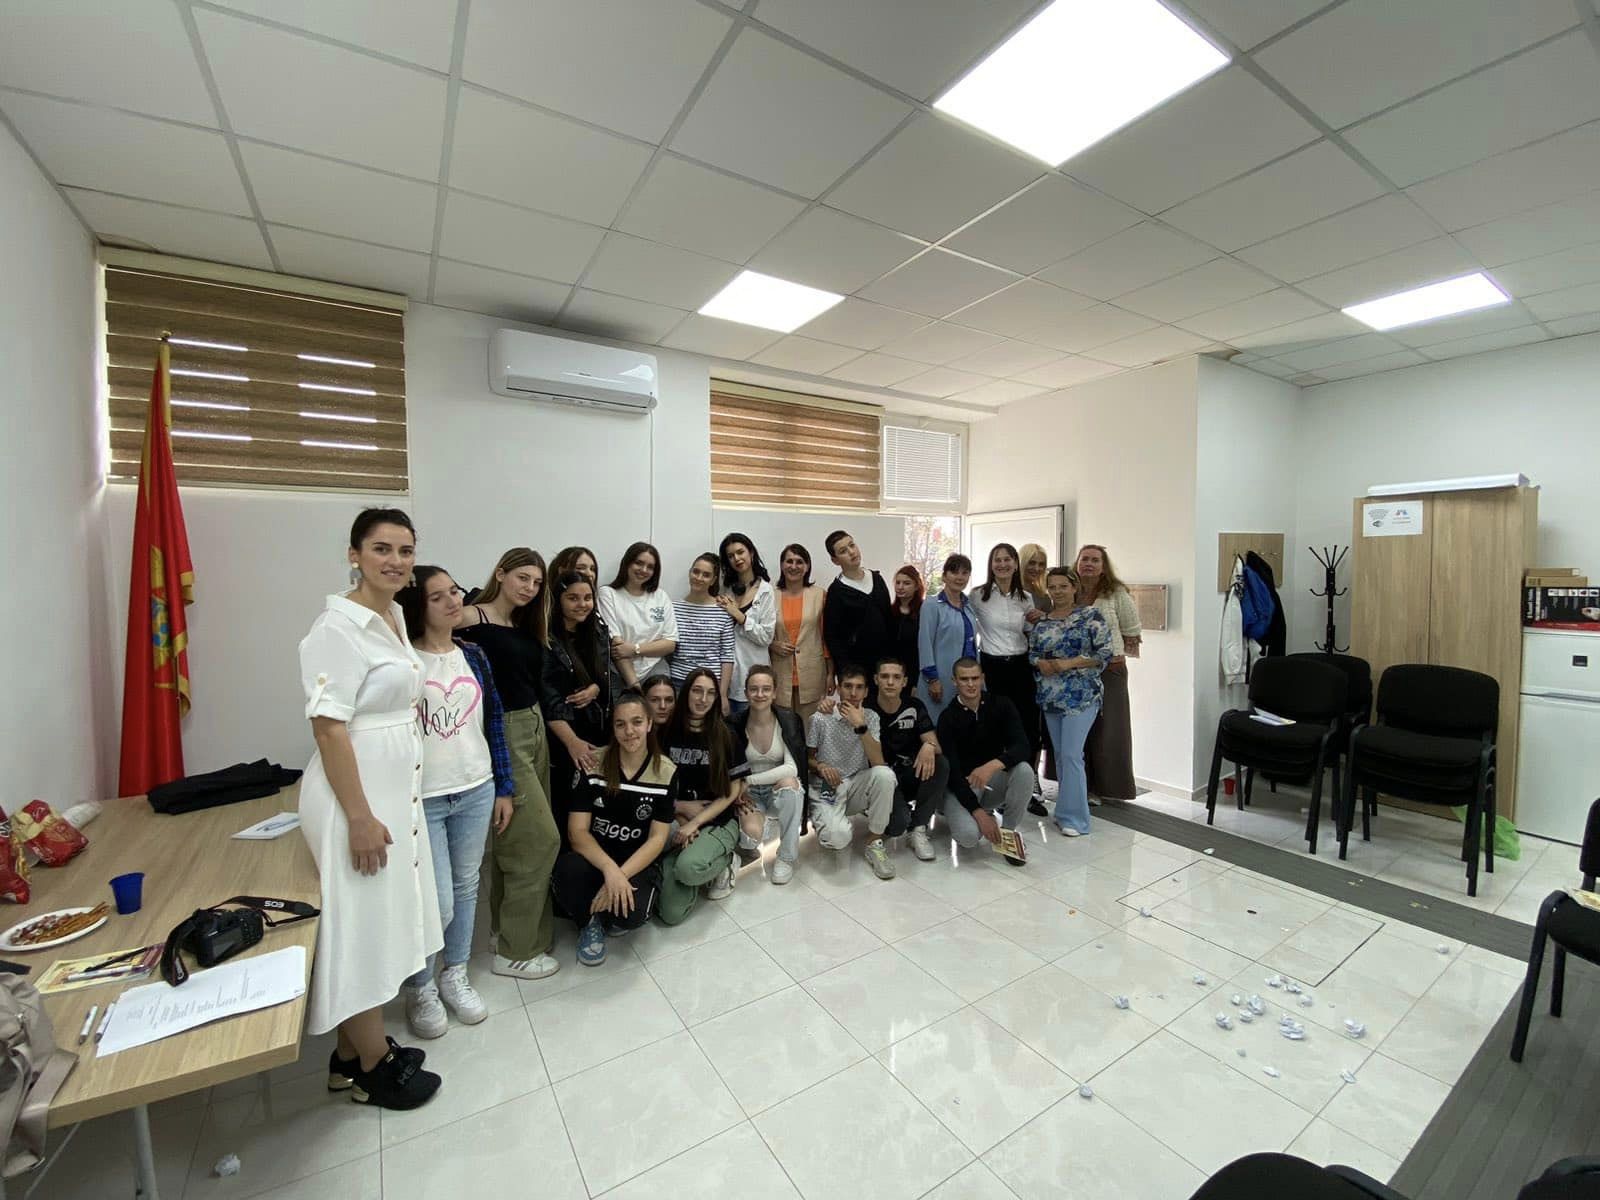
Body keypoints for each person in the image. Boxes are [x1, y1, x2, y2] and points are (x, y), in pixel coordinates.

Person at [298, 507, 441, 1109]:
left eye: (406, 550)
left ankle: (350, 1055)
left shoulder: (394, 616)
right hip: (354, 799)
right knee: (360, 929)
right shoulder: (336, 628)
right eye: (382, 548)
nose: (396, 561)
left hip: (392, 793)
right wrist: (359, 817)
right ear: (354, 554)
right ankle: (373, 1067)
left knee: (381, 921)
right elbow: (329, 729)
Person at [396, 566, 516, 1038]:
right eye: (438, 596)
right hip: (424, 796)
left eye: (454, 591)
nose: (452, 601)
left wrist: (503, 786)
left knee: (467, 886)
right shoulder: (404, 661)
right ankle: (420, 986)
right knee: (435, 900)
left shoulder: (474, 654)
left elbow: (494, 722)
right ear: (417, 606)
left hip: (476, 786)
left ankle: (455, 972)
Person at [455, 547, 561, 982]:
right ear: (500, 573)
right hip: (503, 732)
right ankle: (518, 951)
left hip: (534, 727)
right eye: (522, 578)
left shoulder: (523, 623)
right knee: (539, 841)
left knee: (514, 840)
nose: (529, 588)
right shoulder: (470, 617)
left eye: (536, 583)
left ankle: (507, 933)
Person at [551, 694, 675, 966]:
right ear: (613, 728)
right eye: (621, 724)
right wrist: (610, 872)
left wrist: (622, 876)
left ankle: (606, 908)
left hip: (635, 863)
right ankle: (589, 922)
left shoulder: (666, 771)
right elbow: (577, 833)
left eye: (637, 722)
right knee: (566, 872)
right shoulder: (593, 763)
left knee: (633, 915)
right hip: (596, 859)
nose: (629, 731)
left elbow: (657, 839)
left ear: (649, 724)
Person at [657, 668, 749, 922]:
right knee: (670, 915)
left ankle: (726, 860)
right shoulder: (666, 733)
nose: (703, 699)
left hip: (718, 820)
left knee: (688, 869)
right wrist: (682, 818)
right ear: (686, 693)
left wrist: (695, 823)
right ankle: (691, 864)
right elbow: (660, 786)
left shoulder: (726, 735)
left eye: (710, 693)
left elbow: (732, 791)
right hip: (678, 819)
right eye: (697, 691)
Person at [1029, 567, 1112, 837]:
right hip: (1051, 697)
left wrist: (1070, 663)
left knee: (1072, 755)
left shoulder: (1091, 616)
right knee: (1062, 756)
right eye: (1052, 587)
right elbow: (1033, 653)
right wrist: (1041, 663)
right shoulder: (1042, 623)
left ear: (1074, 587)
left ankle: (1076, 820)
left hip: (1082, 696)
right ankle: (1064, 813)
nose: (1058, 591)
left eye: (1063, 586)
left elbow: (1104, 653)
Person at [540, 570, 614, 839]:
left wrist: (596, 688)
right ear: (558, 599)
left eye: (587, 597)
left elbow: (606, 678)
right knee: (565, 806)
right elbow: (547, 697)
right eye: (573, 598)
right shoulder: (545, 637)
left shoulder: (597, 630)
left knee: (596, 804)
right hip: (563, 737)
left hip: (597, 730)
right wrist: (572, 742)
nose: (582, 604)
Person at [937, 657, 1035, 861]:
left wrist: (992, 766)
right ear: (954, 681)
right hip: (961, 786)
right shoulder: (947, 718)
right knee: (968, 838)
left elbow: (1023, 747)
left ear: (982, 678)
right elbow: (952, 773)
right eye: (964, 679)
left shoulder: (1002, 705)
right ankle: (959, 811)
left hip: (991, 782)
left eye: (975, 678)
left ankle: (1008, 834)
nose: (970, 684)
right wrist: (978, 813)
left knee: (1024, 770)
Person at [807, 665, 897, 879]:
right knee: (838, 838)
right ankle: (829, 820)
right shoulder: (820, 717)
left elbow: (878, 762)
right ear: (839, 689)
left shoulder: (871, 717)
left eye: (859, 687)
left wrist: (860, 725)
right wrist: (820, 766)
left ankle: (874, 841)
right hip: (828, 786)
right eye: (848, 686)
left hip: (857, 782)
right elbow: (808, 758)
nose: (853, 693)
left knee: (885, 775)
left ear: (866, 691)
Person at [969, 543, 1044, 780]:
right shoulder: (978, 595)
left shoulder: (1026, 598)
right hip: (992, 666)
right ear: (991, 565)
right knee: (995, 724)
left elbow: (1030, 631)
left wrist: (1041, 619)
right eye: (997, 560)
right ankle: (996, 780)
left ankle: (1029, 779)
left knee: (1028, 724)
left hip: (1021, 666)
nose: (1002, 564)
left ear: (1015, 564)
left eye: (1007, 559)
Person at [1076, 543, 1143, 802]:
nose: (1089, 564)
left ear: (1104, 567)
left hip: (1109, 672)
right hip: (1077, 672)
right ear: (1077, 563)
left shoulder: (1116, 593)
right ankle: (1081, 786)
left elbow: (1131, 630)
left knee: (1108, 731)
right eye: (1085, 559)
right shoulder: (1070, 589)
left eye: (1095, 560)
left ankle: (1108, 789)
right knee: (1081, 731)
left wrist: (1110, 655)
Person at [729, 664, 806, 884]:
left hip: (776, 789)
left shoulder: (788, 720)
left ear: (774, 693)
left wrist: (747, 780)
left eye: (766, 689)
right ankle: (760, 828)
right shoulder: (734, 724)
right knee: (750, 839)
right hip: (748, 796)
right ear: (746, 693)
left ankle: (786, 856)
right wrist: (740, 788)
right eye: (754, 689)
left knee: (791, 785)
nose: (760, 694)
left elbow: (791, 768)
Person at [870, 657, 948, 863]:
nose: (890, 682)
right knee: (897, 826)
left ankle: (919, 828)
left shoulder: (914, 705)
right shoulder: (867, 709)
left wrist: (928, 746)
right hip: (883, 780)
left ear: (904, 682)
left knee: (940, 762)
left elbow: (936, 746)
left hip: (910, 773)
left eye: (896, 677)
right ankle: (896, 812)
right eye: (885, 676)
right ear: (876, 679)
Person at [599, 542, 678, 689]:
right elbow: (617, 647)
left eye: (650, 567)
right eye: (639, 563)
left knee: (660, 702)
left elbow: (670, 644)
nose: (644, 570)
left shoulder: (660, 596)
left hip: (655, 668)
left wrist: (634, 649)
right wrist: (635, 687)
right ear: (627, 563)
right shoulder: (608, 594)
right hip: (620, 669)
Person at [822, 530, 892, 689]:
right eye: (843, 551)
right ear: (835, 560)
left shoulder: (877, 579)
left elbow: (888, 619)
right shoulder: (836, 591)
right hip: (856, 668)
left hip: (884, 664)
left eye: (852, 545)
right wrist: (845, 670)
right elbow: (832, 636)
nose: (851, 552)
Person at [770, 543, 831, 723]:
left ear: (807, 566)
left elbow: (826, 638)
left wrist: (831, 673)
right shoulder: (770, 596)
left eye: (799, 562)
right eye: (789, 561)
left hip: (812, 674)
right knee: (784, 729)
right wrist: (772, 645)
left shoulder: (820, 595)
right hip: (780, 674)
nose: (794, 566)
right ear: (782, 565)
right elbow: (762, 634)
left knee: (811, 730)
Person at [717, 533, 776, 716]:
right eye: (731, 556)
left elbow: (766, 637)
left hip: (754, 674)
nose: (737, 558)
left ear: (751, 553)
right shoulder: (725, 590)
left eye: (740, 552)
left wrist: (740, 616)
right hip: (727, 676)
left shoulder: (765, 591)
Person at [671, 553, 735, 710]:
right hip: (679, 682)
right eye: (696, 572)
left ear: (713, 580)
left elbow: (727, 655)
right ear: (690, 573)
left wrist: (723, 694)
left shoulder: (723, 611)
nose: (699, 578)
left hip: (711, 685)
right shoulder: (673, 608)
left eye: (706, 575)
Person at [917, 553, 975, 721]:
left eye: (965, 573)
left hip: (966, 680)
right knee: (938, 725)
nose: (960, 577)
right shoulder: (932, 605)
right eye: (954, 572)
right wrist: (932, 679)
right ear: (944, 576)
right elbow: (925, 643)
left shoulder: (969, 606)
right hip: (940, 680)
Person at [888, 565, 924, 682]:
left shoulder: (924, 611)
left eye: (906, 583)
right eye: (898, 583)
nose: (900, 587)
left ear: (916, 586)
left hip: (916, 671)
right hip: (892, 671)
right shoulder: (889, 611)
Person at [1019, 543, 1051, 612]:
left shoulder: (1043, 597)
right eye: (1032, 563)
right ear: (1022, 563)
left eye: (1041, 564)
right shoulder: (1006, 591)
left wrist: (1043, 616)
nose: (1037, 568)